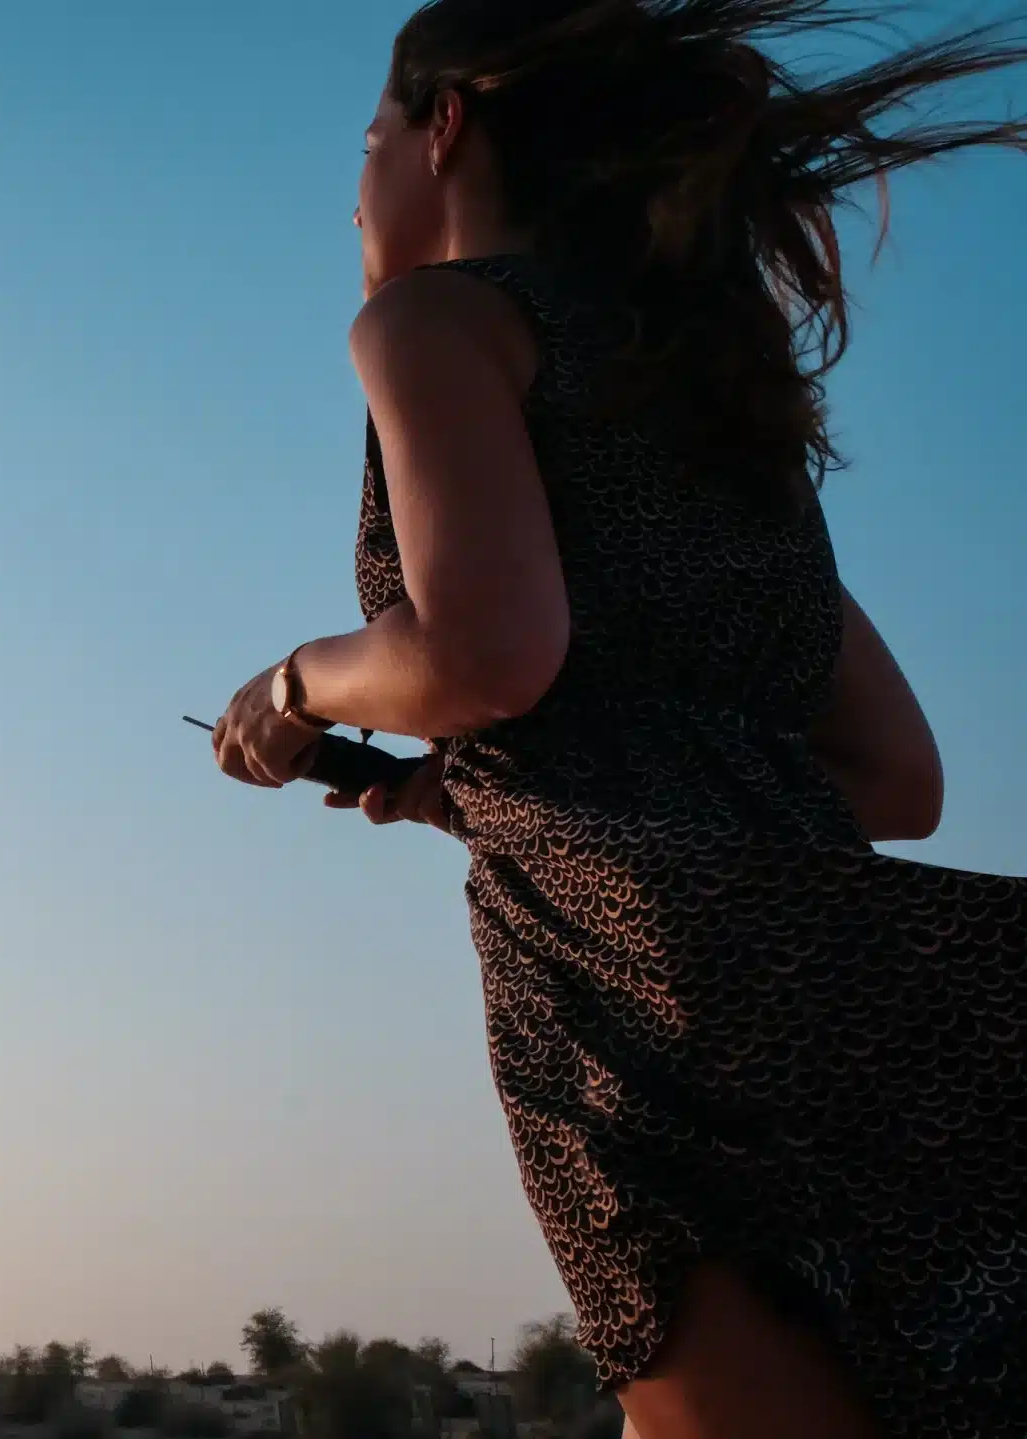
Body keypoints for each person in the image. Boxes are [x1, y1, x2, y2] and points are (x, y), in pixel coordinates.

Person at [204, 2, 1027, 1435]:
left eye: (371, 139)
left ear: (445, 123)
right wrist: (496, 787)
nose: (354, 188)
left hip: (652, 993)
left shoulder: (437, 322)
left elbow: (485, 649)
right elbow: (896, 778)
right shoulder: (713, 405)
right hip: (859, 984)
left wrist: (291, 690)